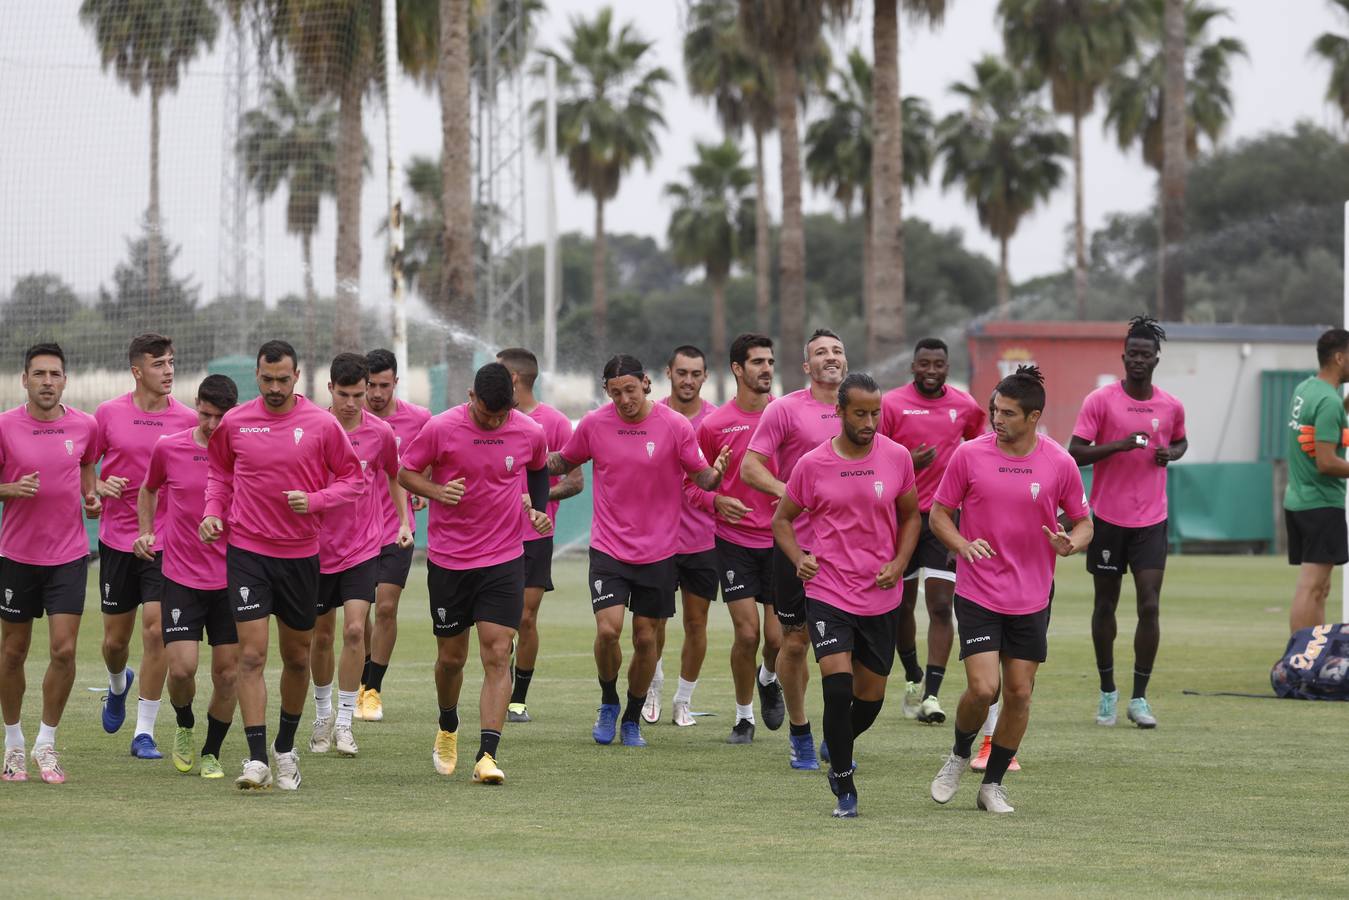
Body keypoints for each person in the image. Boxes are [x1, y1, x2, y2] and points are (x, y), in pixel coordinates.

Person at [928, 366, 1091, 814]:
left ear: (1034, 416)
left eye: (1007, 413)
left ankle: (993, 785)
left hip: (1033, 597)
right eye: (994, 410)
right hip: (979, 590)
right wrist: (962, 544)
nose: (996, 419)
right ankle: (960, 756)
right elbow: (938, 514)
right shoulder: (968, 456)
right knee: (984, 689)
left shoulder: (1059, 462)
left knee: (1019, 692)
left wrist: (1070, 543)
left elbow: (1083, 523)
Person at [201, 340, 363, 791]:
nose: (274, 387)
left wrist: (314, 501)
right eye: (266, 379)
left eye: (282, 379)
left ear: (296, 377)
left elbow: (354, 480)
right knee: (250, 655)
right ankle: (256, 760)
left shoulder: (321, 424)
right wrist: (213, 511)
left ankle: (285, 748)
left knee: (296, 658)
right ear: (257, 376)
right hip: (248, 553)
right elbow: (220, 474)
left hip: (300, 556)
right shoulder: (235, 423)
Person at [547, 355, 730, 748]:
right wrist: (519, 455)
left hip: (661, 551)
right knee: (608, 631)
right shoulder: (595, 424)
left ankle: (632, 717)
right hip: (609, 549)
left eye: (630, 390)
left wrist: (717, 473)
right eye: (616, 393)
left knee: (646, 640)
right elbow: (562, 460)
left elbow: (703, 478)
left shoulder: (675, 426)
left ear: (646, 383)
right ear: (606, 393)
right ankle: (608, 701)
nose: (625, 399)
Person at [773, 373, 920, 817]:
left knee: (869, 697)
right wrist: (799, 557)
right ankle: (843, 782)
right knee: (837, 690)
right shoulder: (811, 464)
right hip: (829, 591)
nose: (869, 421)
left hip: (879, 594)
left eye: (876, 412)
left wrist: (899, 563)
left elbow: (912, 517)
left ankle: (837, 741)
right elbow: (782, 520)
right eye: (860, 413)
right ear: (839, 412)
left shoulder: (897, 457)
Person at [399, 362, 553, 784]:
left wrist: (537, 508)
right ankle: (448, 725)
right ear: (471, 397)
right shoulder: (440, 427)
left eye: (501, 415)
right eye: (486, 414)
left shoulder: (528, 431)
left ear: (514, 402)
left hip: (504, 558)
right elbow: (405, 471)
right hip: (449, 561)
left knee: (498, 651)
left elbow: (539, 468)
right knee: (451, 660)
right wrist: (436, 491)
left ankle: (487, 755)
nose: (493, 421)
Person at [1069, 316, 1187, 730]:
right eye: (1132, 354)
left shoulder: (1170, 405)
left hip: (1152, 519)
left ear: (1156, 358)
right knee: (1105, 604)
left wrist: (1170, 454)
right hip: (1107, 519)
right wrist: (1119, 445)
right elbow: (1075, 453)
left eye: (1146, 354)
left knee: (1150, 605)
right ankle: (1107, 692)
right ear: (1123, 357)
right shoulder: (1100, 401)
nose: (1138, 360)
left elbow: (1180, 441)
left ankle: (1139, 697)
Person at [741, 328, 847, 769]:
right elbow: (750, 468)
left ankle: (840, 732)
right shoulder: (785, 410)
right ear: (807, 366)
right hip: (796, 548)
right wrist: (790, 491)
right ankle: (801, 734)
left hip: (850, 552)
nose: (831, 357)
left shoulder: (861, 409)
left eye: (837, 351)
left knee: (847, 653)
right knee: (797, 642)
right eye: (821, 352)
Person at [0, 342, 101, 783]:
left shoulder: (86, 426)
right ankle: (13, 745)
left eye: (54, 374)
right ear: (24, 380)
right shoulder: (4, 427)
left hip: (68, 557)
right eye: (38, 374)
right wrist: (8, 490)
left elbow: (86, 471)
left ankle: (46, 744)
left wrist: (92, 497)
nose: (47, 382)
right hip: (17, 556)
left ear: (65, 379)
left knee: (63, 649)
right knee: (13, 652)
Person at [93, 333, 198, 759]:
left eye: (172, 362)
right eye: (159, 364)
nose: (168, 370)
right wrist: (99, 485)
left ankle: (144, 732)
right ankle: (118, 684)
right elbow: (85, 468)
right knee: (115, 642)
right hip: (117, 540)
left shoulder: (188, 419)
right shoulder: (107, 414)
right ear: (138, 371)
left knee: (156, 630)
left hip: (166, 542)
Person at [135, 375, 240, 778]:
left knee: (228, 675)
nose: (212, 424)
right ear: (195, 405)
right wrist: (147, 532)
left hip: (233, 579)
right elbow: (149, 490)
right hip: (179, 577)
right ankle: (183, 725)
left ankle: (212, 751)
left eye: (220, 416)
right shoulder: (170, 447)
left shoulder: (244, 453)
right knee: (180, 670)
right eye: (205, 413)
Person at [310, 354, 411, 758]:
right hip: (316, 548)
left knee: (355, 630)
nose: (354, 402)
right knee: (320, 635)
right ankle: (321, 715)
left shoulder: (381, 432)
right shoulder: (313, 428)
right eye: (345, 394)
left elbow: (393, 473)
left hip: (363, 546)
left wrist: (402, 521)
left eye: (360, 393)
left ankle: (346, 722)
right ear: (330, 390)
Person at [880, 337, 985, 727]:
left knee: (941, 606)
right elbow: (874, 456)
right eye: (923, 364)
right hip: (900, 518)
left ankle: (932, 695)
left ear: (947, 367)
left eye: (937, 365)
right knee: (900, 608)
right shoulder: (891, 404)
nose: (930, 371)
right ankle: (911, 675)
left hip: (944, 521)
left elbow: (980, 453)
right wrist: (908, 460)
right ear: (912, 366)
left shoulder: (966, 407)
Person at [693, 333, 785, 743]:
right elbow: (690, 485)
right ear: (737, 369)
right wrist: (716, 501)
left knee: (777, 639)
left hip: (783, 541)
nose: (766, 368)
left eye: (769, 361)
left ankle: (769, 677)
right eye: (757, 362)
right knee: (746, 634)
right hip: (734, 542)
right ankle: (744, 717)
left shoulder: (785, 417)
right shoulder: (713, 424)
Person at [496, 347, 584, 724]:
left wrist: (537, 500)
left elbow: (575, 481)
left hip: (535, 536)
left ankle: (518, 698)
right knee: (499, 623)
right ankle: (496, 683)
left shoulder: (555, 423)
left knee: (525, 618)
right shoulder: (489, 418)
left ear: (513, 379)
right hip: (492, 538)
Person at [645, 345, 719, 727]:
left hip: (702, 540)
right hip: (657, 540)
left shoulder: (717, 422)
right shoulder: (651, 415)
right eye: (682, 373)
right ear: (668, 373)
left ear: (705, 376)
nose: (688, 380)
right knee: (654, 622)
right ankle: (653, 687)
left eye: (695, 373)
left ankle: (683, 700)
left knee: (696, 623)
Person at [359, 348, 432, 722]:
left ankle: (373, 689)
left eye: (383, 385)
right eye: (370, 385)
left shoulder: (419, 419)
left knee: (386, 606)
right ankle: (363, 673)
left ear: (395, 383)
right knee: (359, 614)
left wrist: (423, 487)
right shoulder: (344, 418)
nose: (375, 393)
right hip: (355, 533)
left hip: (396, 529)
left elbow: (433, 459)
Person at [1282, 328, 1349, 634]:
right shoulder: (1329, 402)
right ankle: (1297, 663)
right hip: (1320, 504)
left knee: (1320, 589)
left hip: (1299, 500)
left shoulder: (1307, 388)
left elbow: (1328, 413)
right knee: (1311, 587)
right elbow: (1327, 463)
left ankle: (1314, 660)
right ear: (1339, 358)